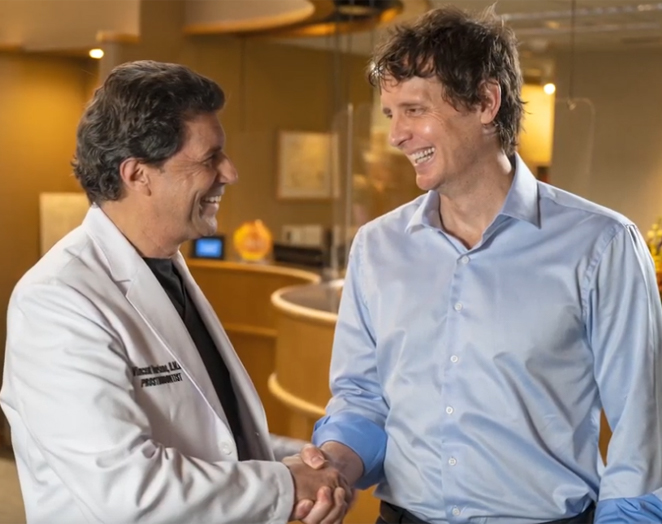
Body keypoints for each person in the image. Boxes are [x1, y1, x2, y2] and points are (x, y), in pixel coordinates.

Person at [302, 6, 662, 524]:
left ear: (486, 102)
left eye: (414, 110)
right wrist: (334, 463)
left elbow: (640, 427)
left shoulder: (601, 245)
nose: (396, 136)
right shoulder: (376, 247)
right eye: (391, 114)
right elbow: (362, 398)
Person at [0, 60, 350, 524]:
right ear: (137, 174)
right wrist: (287, 484)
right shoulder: (56, 300)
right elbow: (129, 490)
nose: (230, 172)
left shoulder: (168, 269)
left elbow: (215, 439)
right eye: (210, 158)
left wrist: (310, 464)